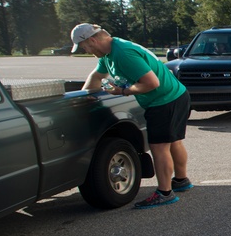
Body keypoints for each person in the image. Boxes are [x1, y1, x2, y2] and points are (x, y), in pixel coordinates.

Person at [72, 23, 194, 209]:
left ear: (93, 40)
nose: (86, 51)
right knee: (173, 141)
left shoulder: (123, 54)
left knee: (159, 147)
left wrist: (123, 91)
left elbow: (152, 83)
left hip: (164, 101)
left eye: (84, 47)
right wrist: (83, 96)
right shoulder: (109, 54)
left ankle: (165, 193)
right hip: (176, 95)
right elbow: (97, 76)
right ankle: (181, 180)